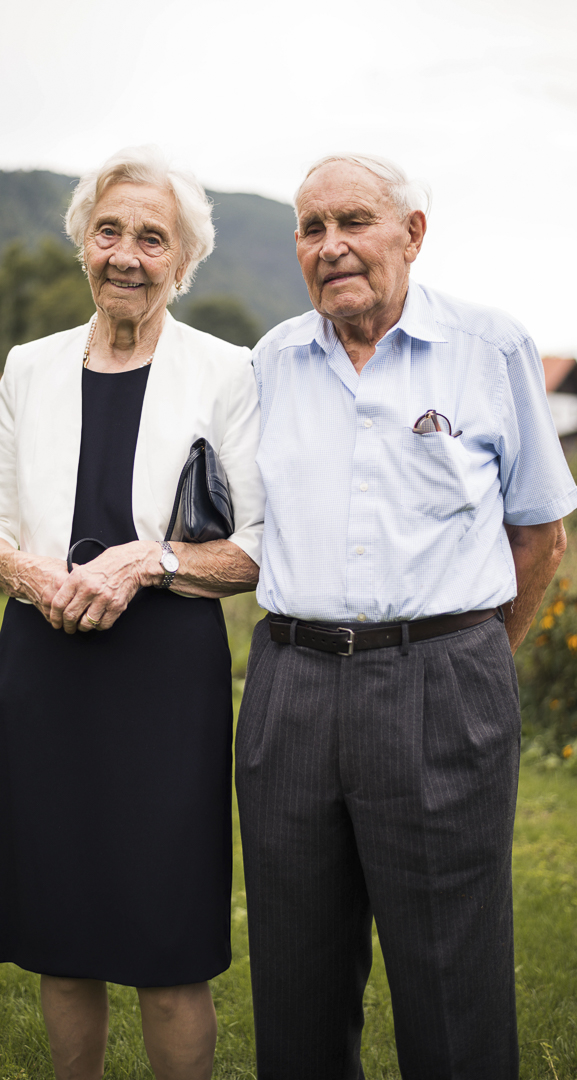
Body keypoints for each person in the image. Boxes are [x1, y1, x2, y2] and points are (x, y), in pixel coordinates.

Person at [234, 153, 577, 1080]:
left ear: (412, 234)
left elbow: (539, 537)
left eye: (353, 221)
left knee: (452, 983)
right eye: (311, 228)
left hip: (441, 681)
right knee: (294, 980)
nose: (331, 246)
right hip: (290, 687)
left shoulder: (488, 347)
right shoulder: (270, 361)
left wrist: (473, 663)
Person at [0, 145, 264, 1080]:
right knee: (62, 936)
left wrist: (149, 561)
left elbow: (257, 547)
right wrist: (31, 574)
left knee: (168, 947)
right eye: (107, 231)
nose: (125, 255)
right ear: (82, 243)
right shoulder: (30, 366)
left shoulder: (227, 372)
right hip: (42, 667)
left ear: (184, 259)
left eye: (151, 238)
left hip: (164, 680)